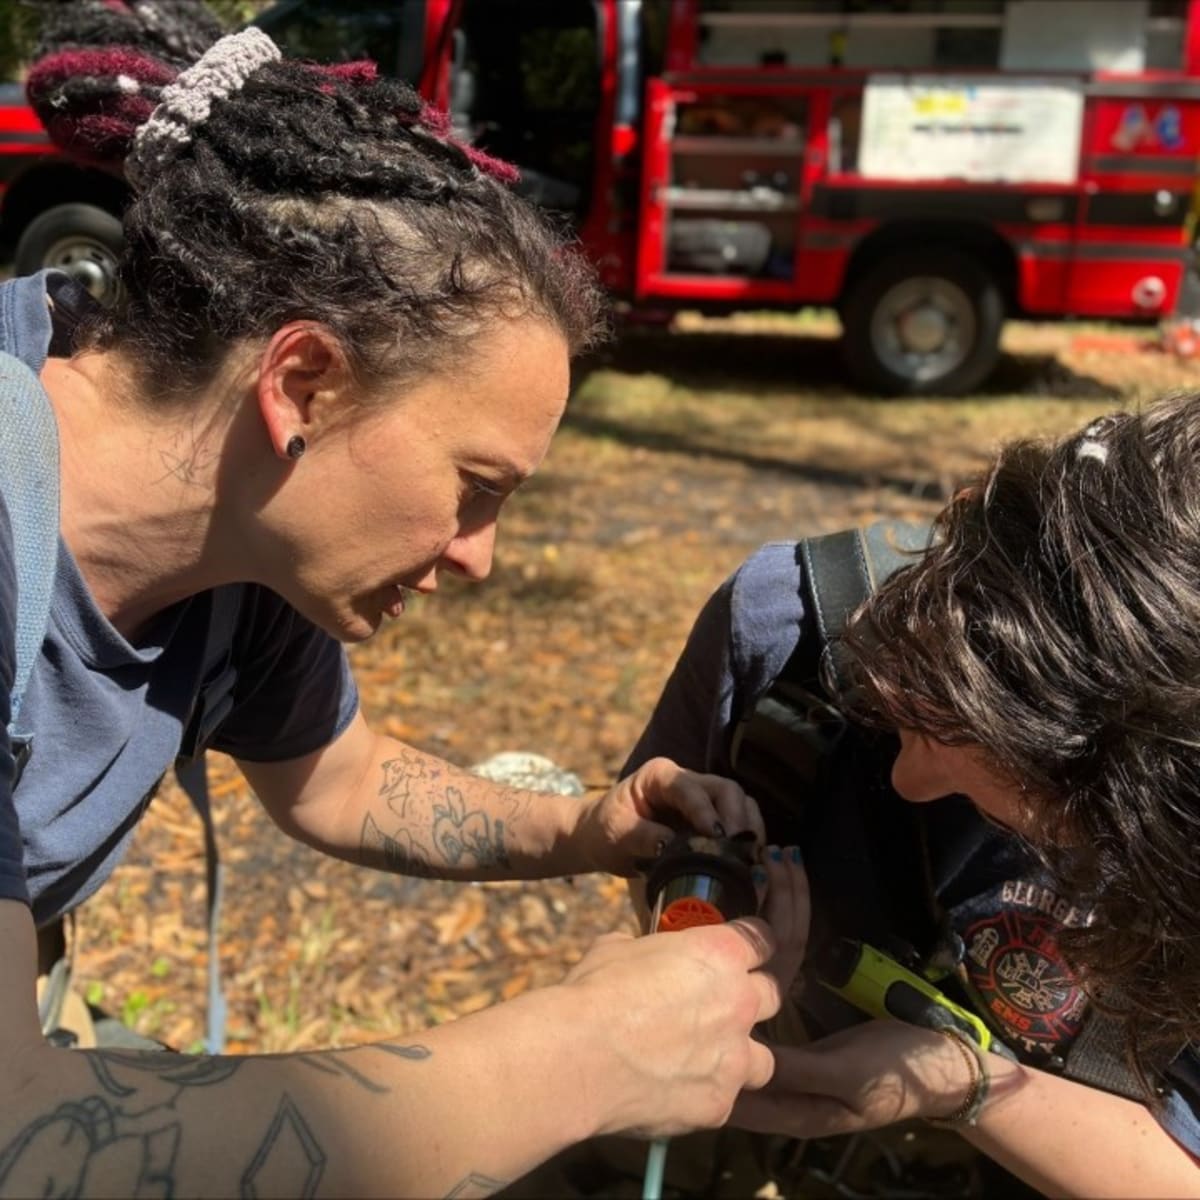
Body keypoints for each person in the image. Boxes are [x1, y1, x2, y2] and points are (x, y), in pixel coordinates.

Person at [0, 5, 808, 1197]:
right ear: (305, 384)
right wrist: (575, 1062)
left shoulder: (250, 541)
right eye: (475, 488)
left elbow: (342, 780)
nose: (481, 555)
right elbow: (20, 1137)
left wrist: (591, 830)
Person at [624, 397, 1200, 1198]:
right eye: (909, 716)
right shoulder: (785, 624)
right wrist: (719, 946)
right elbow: (655, 857)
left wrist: (958, 1085)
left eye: (1010, 782)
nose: (904, 781)